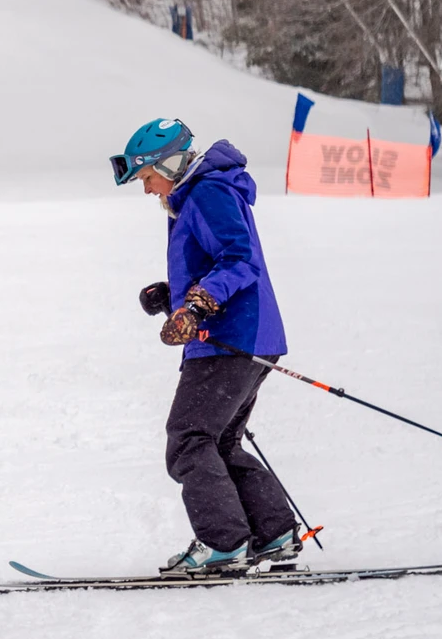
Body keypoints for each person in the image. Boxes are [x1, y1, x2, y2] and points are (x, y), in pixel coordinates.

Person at [111, 118, 301, 575]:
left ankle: (223, 542)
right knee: (219, 442)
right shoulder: (197, 195)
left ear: (171, 164)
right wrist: (174, 296)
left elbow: (239, 259)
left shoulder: (205, 193)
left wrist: (196, 304)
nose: (146, 189)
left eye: (147, 176)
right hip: (244, 335)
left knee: (190, 439)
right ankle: (273, 533)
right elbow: (217, 262)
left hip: (229, 339)